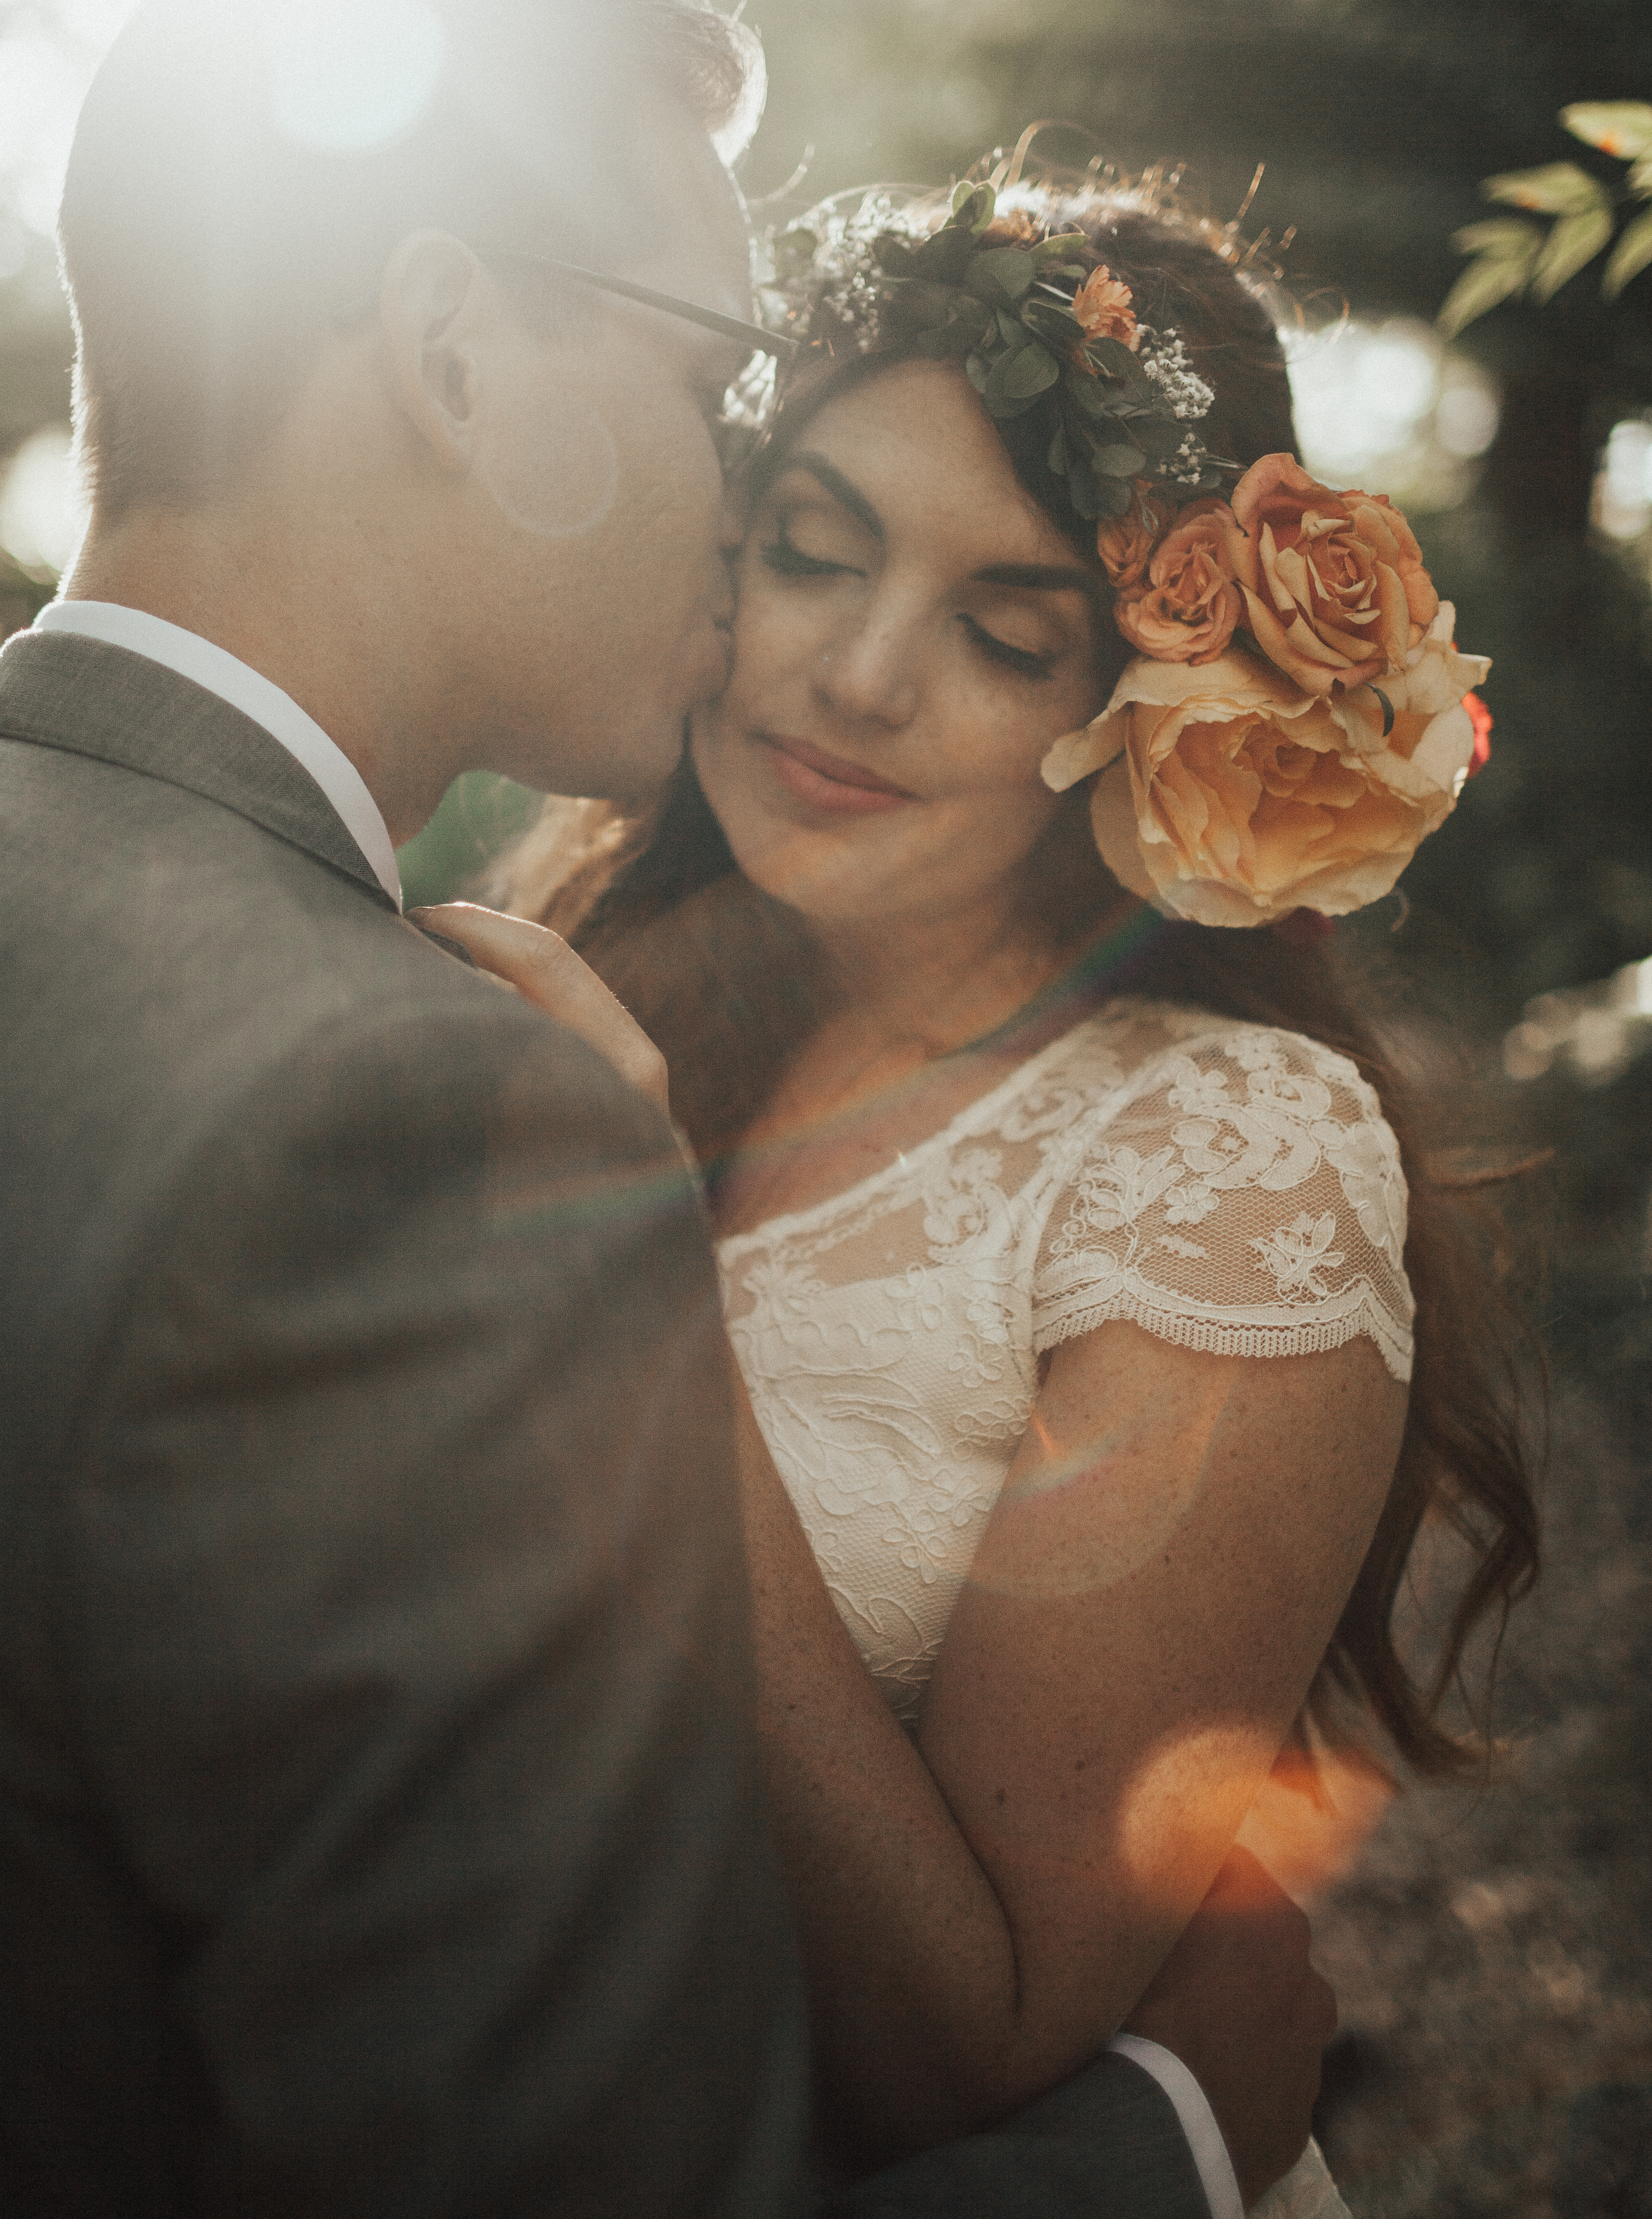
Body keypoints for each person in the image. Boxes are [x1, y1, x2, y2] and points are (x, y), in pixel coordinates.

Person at [0, 0, 1329, 2219]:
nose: (741, 535)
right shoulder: (418, 1117)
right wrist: (1158, 2145)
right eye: (713, 389)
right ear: (454, 350)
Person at [489, 169, 1542, 2213]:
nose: (860, 675)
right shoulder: (587, 996)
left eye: (1005, 628)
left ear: (1149, 711)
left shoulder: (1223, 1160)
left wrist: (628, 1301)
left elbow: (976, 2042)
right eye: (812, 550)